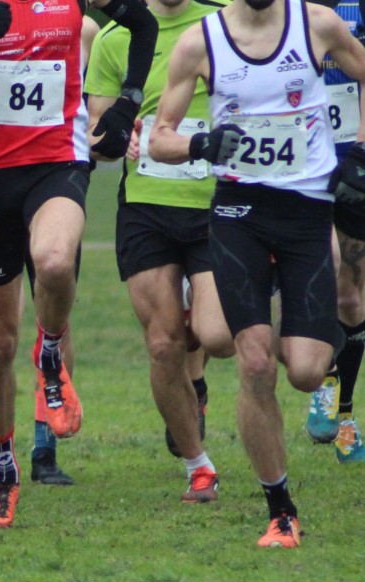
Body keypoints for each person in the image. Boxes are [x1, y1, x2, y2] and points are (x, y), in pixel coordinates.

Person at [0, 0, 157, 530]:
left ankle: (53, 350)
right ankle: (3, 474)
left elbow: (143, 24)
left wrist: (126, 105)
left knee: (56, 262)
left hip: (56, 162)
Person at [148, 0, 365, 547]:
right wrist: (200, 144)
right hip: (238, 213)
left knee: (307, 372)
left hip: (307, 214)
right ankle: (281, 509)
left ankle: (303, 337)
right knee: (254, 362)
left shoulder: (318, 24)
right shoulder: (202, 42)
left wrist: (362, 149)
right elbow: (159, 138)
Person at [85, 0, 235, 502]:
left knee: (214, 336)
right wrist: (117, 138)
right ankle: (199, 466)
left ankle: (198, 377)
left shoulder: (221, 23)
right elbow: (98, 136)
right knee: (162, 342)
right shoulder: (114, 38)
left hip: (215, 205)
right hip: (147, 208)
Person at [303, 0, 365, 463]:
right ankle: (321, 379)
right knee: (319, 272)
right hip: (300, 163)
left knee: (351, 296)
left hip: (351, 163)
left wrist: (362, 149)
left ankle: (345, 413)